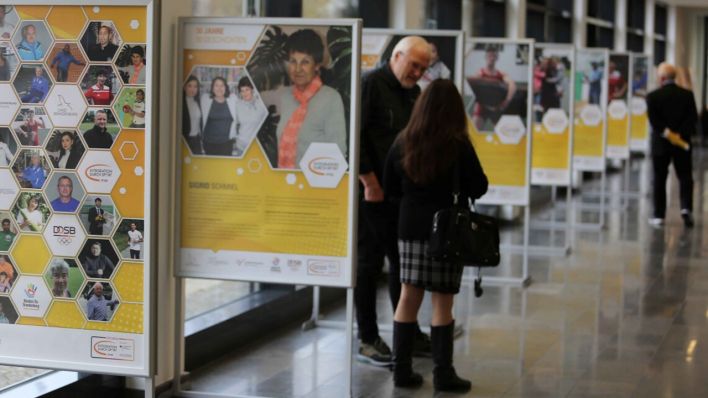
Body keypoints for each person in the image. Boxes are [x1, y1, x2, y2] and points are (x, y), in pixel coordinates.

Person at [384, 79, 488, 391]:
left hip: (410, 227)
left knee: (407, 297)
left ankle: (401, 371)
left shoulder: (404, 140)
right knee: (443, 304)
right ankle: (444, 374)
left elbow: (390, 186)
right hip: (446, 231)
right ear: (455, 110)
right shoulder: (458, 144)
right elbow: (479, 186)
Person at [356, 36, 432, 366]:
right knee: (369, 265)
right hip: (372, 194)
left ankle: (407, 331)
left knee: (404, 265)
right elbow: (352, 135)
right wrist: (369, 180)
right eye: (413, 64)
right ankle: (368, 338)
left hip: (403, 196)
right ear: (396, 55)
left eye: (423, 68)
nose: (417, 72)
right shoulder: (370, 84)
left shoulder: (414, 93)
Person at [269, 29, 347, 168]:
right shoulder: (286, 97)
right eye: (293, 61)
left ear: (316, 66)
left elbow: (338, 153)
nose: (298, 69)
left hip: (315, 185)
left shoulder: (331, 98)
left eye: (305, 62)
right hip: (284, 183)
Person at [646, 62, 697, 228]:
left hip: (661, 144)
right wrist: (679, 135)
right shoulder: (687, 95)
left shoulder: (653, 97)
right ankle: (685, 208)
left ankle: (659, 215)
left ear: (661, 78)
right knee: (685, 176)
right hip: (682, 144)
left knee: (660, 178)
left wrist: (667, 133)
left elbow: (654, 122)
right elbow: (692, 119)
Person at [470, 46, 517, 130]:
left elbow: (512, 85)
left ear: (496, 58)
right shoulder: (480, 73)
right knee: (474, 130)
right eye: (489, 56)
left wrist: (507, 101)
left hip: (496, 107)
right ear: (486, 57)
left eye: (493, 56)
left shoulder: (500, 74)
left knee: (501, 131)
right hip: (482, 106)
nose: (491, 58)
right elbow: (472, 82)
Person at [200, 77, 238, 156]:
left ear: (226, 87)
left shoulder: (233, 99)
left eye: (222, 85)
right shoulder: (205, 98)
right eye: (216, 85)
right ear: (212, 88)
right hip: (209, 142)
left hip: (227, 142)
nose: (219, 88)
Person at [234, 77, 267, 155]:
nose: (245, 93)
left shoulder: (261, 104)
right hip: (241, 146)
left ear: (252, 89)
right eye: (242, 91)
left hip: (257, 147)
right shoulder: (237, 105)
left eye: (247, 89)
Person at [182, 75, 203, 154]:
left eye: (195, 86)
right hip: (186, 140)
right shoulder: (181, 103)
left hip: (197, 140)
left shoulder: (198, 102)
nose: (192, 89)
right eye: (189, 86)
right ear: (184, 87)